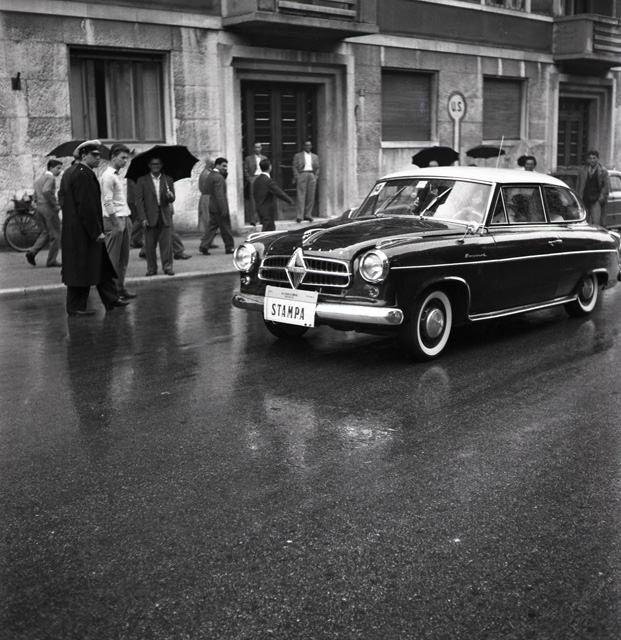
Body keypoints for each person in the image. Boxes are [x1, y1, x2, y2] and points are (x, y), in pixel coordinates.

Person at [60, 140, 129, 317]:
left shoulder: (80, 172)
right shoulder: (81, 175)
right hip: (83, 232)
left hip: (84, 230)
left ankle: (111, 299)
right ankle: (75, 307)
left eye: (99, 155)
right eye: (94, 155)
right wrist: (96, 231)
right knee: (81, 269)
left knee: (100, 266)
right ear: (84, 156)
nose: (98, 158)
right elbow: (86, 207)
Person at [100, 143, 136, 300]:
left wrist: (126, 220)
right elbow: (107, 201)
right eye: (122, 158)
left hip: (124, 217)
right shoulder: (108, 176)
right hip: (114, 219)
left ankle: (120, 288)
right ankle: (111, 293)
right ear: (113, 157)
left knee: (123, 259)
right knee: (112, 259)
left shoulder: (116, 175)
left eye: (127, 158)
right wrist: (116, 223)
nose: (125, 161)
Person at [135, 157, 176, 276]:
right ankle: (152, 268)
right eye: (153, 164)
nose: (156, 166)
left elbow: (172, 199)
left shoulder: (168, 179)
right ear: (149, 165)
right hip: (149, 216)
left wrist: (170, 196)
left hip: (164, 215)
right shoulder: (142, 180)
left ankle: (167, 267)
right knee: (150, 245)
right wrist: (142, 218)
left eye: (158, 164)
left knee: (166, 244)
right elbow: (139, 201)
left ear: (161, 165)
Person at [26, 159, 63, 267]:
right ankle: (51, 260)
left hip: (40, 208)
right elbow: (46, 191)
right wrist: (54, 205)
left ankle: (32, 252)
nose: (59, 171)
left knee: (45, 232)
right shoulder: (50, 178)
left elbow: (35, 195)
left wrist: (37, 202)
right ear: (51, 168)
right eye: (58, 168)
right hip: (48, 208)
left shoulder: (40, 178)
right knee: (55, 234)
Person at [200, 157, 235, 255]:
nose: (225, 168)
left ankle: (204, 245)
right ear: (217, 165)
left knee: (211, 227)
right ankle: (229, 247)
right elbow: (220, 195)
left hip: (212, 205)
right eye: (223, 166)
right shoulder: (219, 177)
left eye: (226, 166)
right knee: (226, 228)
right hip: (219, 207)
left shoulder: (211, 175)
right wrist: (223, 209)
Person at [253, 158, 294, 232]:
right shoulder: (268, 181)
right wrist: (289, 200)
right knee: (267, 231)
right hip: (267, 209)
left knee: (269, 229)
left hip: (259, 207)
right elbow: (279, 192)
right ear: (270, 167)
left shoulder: (257, 180)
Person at [576, 150, 610, 227]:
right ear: (588, 159)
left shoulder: (603, 171)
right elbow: (578, 185)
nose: (592, 160)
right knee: (584, 221)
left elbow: (606, 187)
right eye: (590, 158)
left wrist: (600, 199)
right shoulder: (582, 170)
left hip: (596, 200)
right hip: (584, 199)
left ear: (597, 159)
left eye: (594, 158)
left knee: (596, 222)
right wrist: (578, 198)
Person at [292, 140, 320, 223]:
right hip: (302, 174)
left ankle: (308, 215)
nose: (308, 147)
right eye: (306, 145)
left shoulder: (315, 156)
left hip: (311, 174)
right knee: (301, 196)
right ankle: (300, 216)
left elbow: (317, 167)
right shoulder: (298, 155)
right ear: (303, 146)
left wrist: (316, 176)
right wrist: (297, 176)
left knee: (311, 196)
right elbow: (294, 166)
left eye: (309, 145)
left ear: (311, 146)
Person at [243, 142, 267, 226]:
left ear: (261, 148)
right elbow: (245, 170)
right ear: (253, 148)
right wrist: (250, 179)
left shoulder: (264, 158)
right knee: (253, 200)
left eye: (259, 147)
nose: (257, 149)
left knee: (263, 199)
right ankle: (253, 219)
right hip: (253, 178)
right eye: (256, 147)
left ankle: (262, 218)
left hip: (262, 177)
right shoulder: (248, 159)